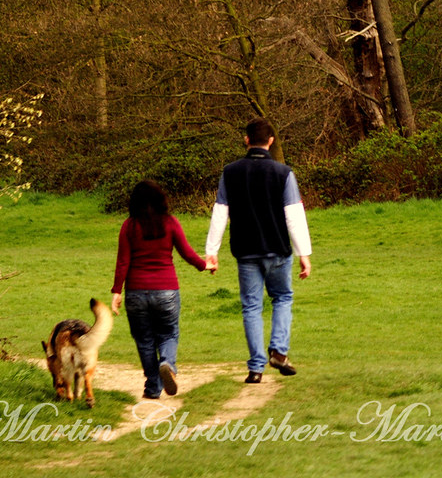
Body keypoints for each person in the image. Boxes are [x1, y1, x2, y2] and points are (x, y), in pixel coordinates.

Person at [205, 117, 312, 383]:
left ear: (246, 140)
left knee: (251, 308)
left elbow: (220, 212)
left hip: (245, 252)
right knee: (282, 298)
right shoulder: (284, 173)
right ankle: (278, 350)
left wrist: (212, 251)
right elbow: (293, 216)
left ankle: (255, 368)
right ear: (271, 141)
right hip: (277, 250)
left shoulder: (230, 172)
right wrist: (304, 254)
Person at [111, 180, 209, 399]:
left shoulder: (129, 226)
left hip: (136, 292)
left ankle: (153, 387)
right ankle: (167, 363)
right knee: (168, 333)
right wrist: (205, 265)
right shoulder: (170, 223)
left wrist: (117, 292)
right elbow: (187, 252)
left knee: (144, 339)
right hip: (167, 291)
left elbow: (123, 262)